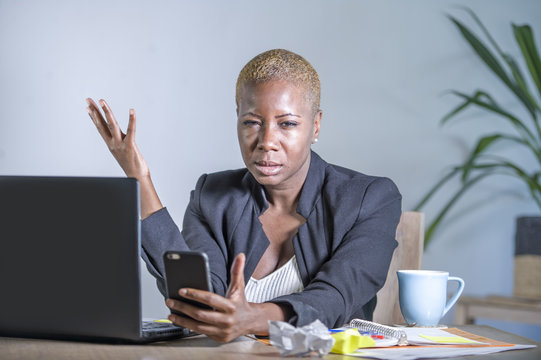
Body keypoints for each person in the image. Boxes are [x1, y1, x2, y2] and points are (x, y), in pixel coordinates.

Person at [86, 49, 401, 343]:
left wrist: (253, 318)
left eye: (287, 124)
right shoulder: (213, 197)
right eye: (252, 122)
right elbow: (197, 296)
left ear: (315, 126)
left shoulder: (370, 198)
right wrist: (140, 180)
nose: (266, 141)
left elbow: (335, 297)